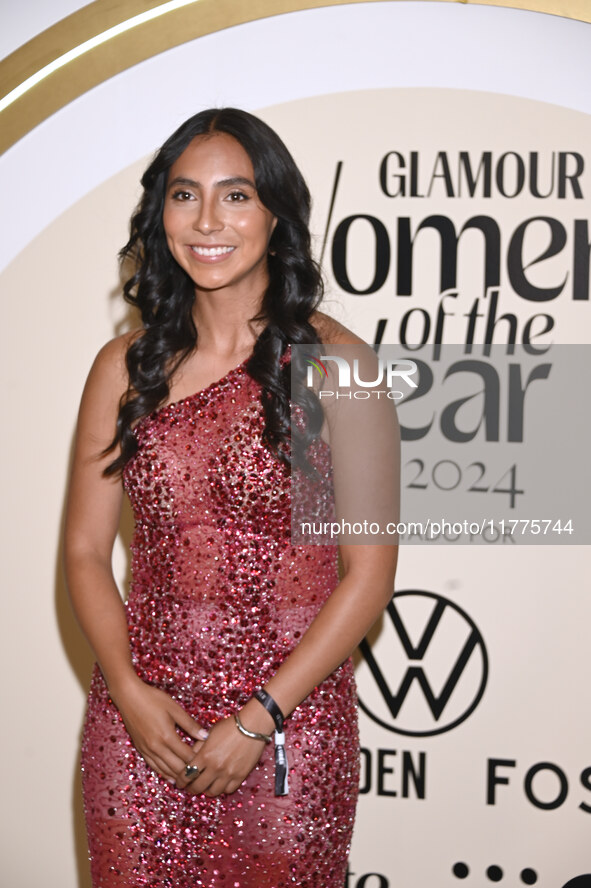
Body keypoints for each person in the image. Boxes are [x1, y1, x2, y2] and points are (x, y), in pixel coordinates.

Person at [65, 107, 398, 888]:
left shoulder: (337, 364)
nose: (208, 220)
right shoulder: (123, 366)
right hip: (140, 723)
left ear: (277, 214)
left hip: (288, 726)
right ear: (161, 215)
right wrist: (129, 691)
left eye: (236, 195)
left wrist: (259, 718)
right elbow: (84, 552)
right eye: (185, 195)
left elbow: (367, 577)